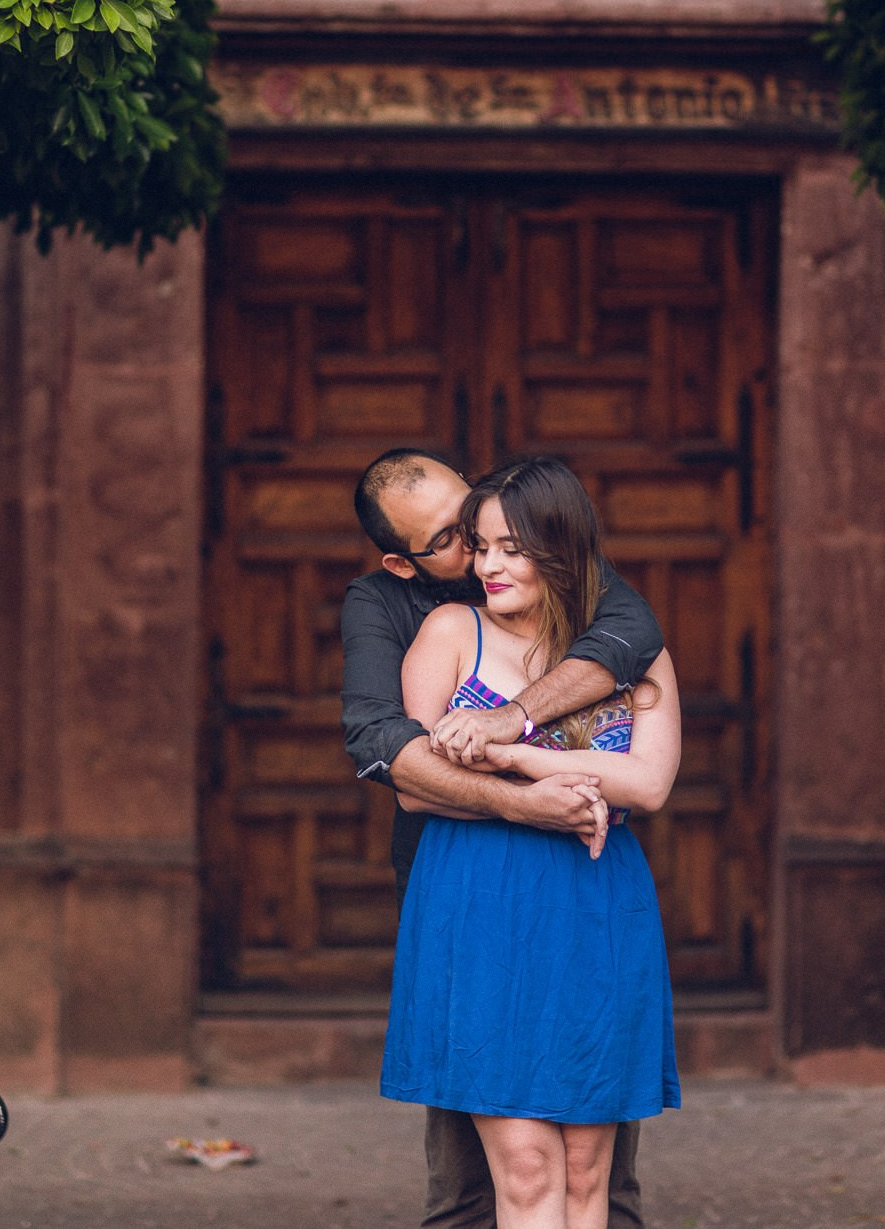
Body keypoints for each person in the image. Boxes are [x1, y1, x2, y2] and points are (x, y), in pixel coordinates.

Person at [341, 448, 664, 1229]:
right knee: (470, 1174)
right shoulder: (390, 608)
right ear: (403, 560)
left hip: (584, 894)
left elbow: (637, 636)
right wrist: (530, 803)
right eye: (461, 538)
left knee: (599, 1169)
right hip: (467, 885)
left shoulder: (589, 597)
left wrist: (512, 728)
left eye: (493, 529)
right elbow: (391, 751)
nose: (483, 552)